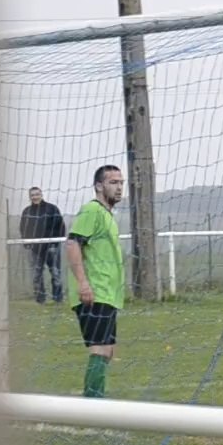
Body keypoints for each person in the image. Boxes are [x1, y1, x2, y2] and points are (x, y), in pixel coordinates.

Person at [64, 165, 125, 398]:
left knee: (108, 350)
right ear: (99, 186)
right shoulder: (92, 210)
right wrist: (83, 283)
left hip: (108, 293)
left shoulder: (107, 215)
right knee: (100, 349)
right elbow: (72, 244)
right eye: (113, 183)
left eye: (121, 183)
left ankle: (95, 398)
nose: (119, 188)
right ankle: (93, 403)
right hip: (94, 292)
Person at [19, 186, 66, 304]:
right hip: (35, 248)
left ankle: (58, 299)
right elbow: (23, 228)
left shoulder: (52, 209)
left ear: (41, 195)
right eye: (32, 195)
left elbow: (60, 226)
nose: (35, 197)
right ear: (30, 197)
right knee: (36, 275)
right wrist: (27, 243)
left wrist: (55, 243)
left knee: (55, 273)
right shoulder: (27, 211)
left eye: (37, 194)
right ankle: (40, 300)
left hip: (52, 247)